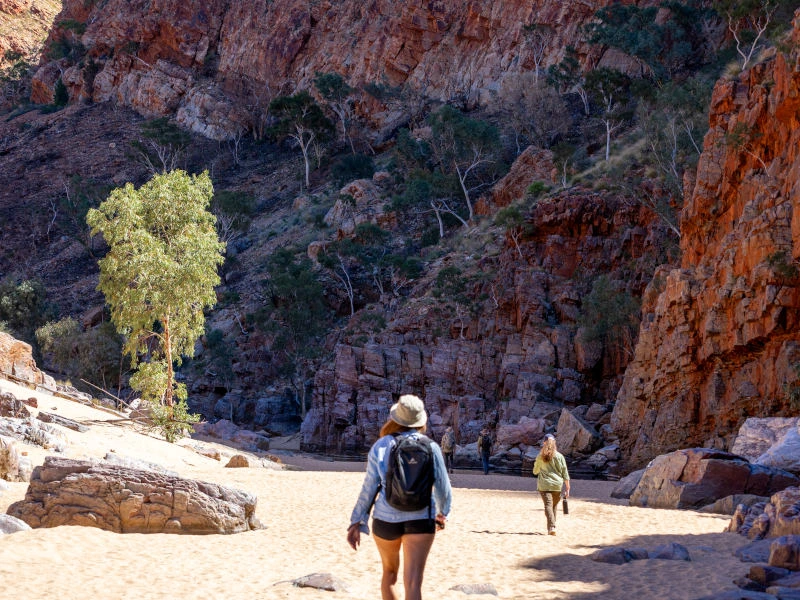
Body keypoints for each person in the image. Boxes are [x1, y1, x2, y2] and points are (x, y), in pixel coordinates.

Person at [347, 394, 452, 600]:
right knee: (413, 582)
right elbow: (443, 488)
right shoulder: (431, 447)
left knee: (390, 574)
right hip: (421, 518)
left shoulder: (381, 445)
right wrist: (442, 514)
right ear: (420, 420)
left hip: (386, 519)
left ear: (396, 418)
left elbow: (369, 488)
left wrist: (357, 521)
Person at [532, 433, 570, 536]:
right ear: (554, 443)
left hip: (544, 485)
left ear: (544, 443)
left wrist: (539, 468)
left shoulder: (540, 456)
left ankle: (552, 526)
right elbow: (564, 472)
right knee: (553, 506)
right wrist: (567, 487)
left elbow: (535, 471)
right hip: (557, 485)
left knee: (548, 506)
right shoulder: (560, 456)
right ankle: (551, 527)